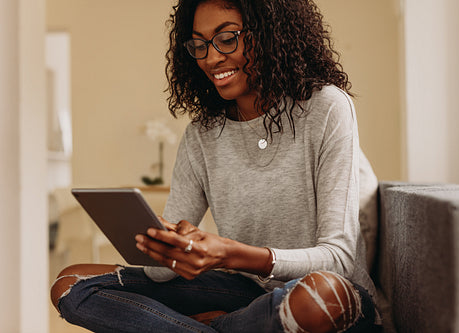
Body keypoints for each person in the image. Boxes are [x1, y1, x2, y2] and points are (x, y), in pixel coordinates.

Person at [50, 0, 382, 332]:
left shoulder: (326, 108)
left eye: (227, 39)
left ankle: (215, 325)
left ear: (271, 35)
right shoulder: (202, 135)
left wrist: (230, 254)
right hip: (249, 295)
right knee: (73, 284)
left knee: (318, 298)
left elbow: (338, 258)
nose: (211, 58)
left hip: (330, 295)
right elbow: (161, 274)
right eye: (199, 45)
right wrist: (171, 247)